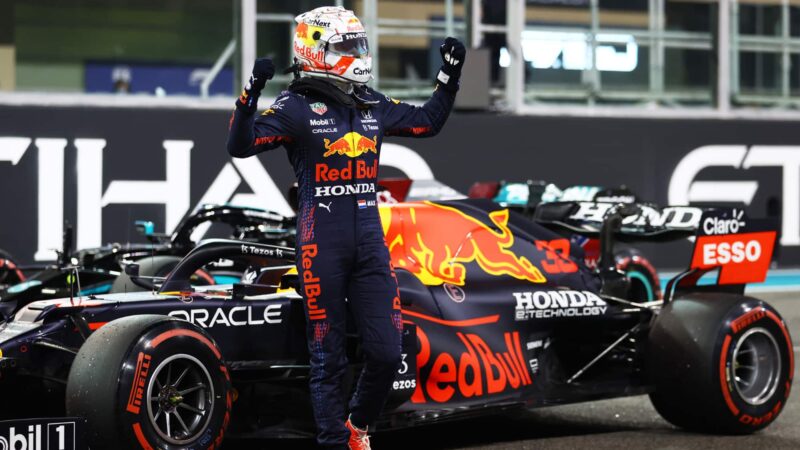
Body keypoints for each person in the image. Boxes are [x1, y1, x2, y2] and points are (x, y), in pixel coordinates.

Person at [226, 6, 464, 449]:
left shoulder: (371, 102)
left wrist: (450, 76)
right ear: (314, 50)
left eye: (359, 44)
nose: (359, 53)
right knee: (327, 358)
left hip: (371, 245)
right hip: (321, 246)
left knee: (388, 352)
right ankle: (335, 443)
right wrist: (249, 94)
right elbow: (239, 145)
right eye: (347, 46)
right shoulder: (295, 107)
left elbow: (428, 121)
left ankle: (358, 425)